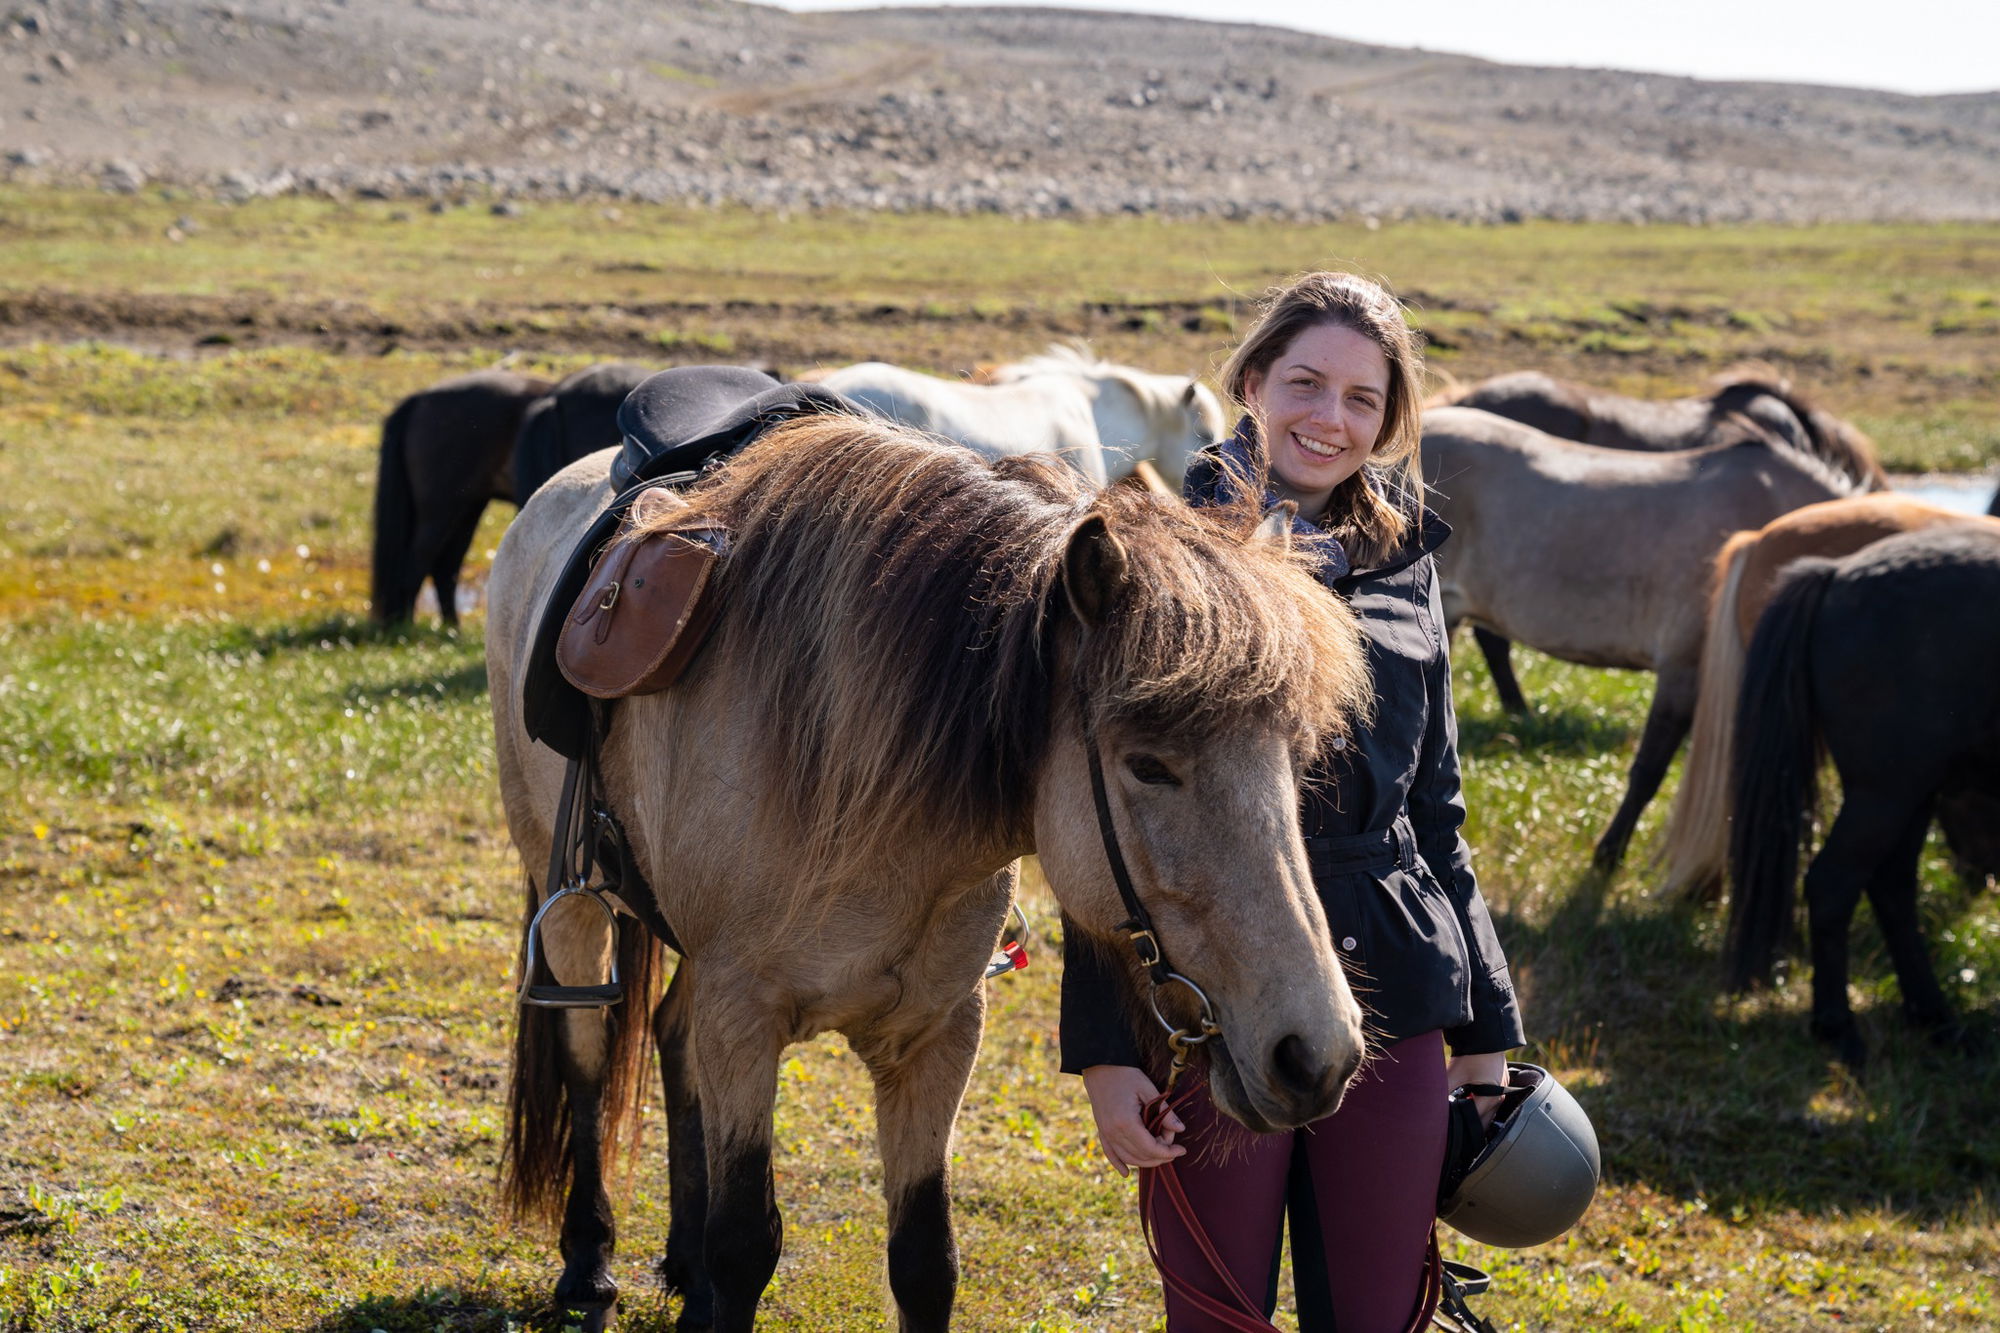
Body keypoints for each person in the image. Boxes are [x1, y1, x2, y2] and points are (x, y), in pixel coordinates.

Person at [1060, 271, 1526, 1332]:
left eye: (1362, 399)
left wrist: (1486, 1033)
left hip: (1395, 983)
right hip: (1211, 977)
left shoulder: (1407, 565)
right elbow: (1103, 817)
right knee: (1217, 1311)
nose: (1330, 418)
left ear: (1389, 417)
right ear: (1255, 381)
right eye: (1306, 383)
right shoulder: (1161, 556)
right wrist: (1102, 1051)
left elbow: (1434, 812)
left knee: (1373, 1312)